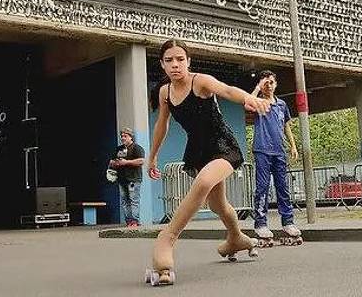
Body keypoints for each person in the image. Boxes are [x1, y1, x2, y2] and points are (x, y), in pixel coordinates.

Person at [145, 39, 271, 286]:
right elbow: (162, 124)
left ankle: (168, 236)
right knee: (218, 205)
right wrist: (153, 155)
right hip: (198, 150)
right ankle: (235, 237)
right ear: (162, 64)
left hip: (222, 145)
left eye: (180, 59)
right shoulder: (164, 93)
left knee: (203, 182)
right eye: (169, 60)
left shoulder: (200, 81)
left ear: (188, 61)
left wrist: (249, 98)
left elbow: (225, 89)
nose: (175, 65)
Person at [250, 70, 301, 245]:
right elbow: (247, 104)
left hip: (279, 151)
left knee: (283, 188)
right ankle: (261, 224)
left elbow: (286, 126)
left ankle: (288, 223)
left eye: (271, 82)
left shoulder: (281, 105)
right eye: (266, 83)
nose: (269, 85)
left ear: (276, 84)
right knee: (262, 188)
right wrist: (258, 87)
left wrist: (293, 146)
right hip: (262, 151)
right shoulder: (258, 103)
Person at [109, 128, 144, 227]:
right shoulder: (119, 149)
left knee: (133, 199)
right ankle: (128, 221)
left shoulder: (137, 148)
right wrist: (114, 163)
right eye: (122, 136)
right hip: (122, 180)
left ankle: (135, 221)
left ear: (131, 137)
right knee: (125, 200)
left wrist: (126, 162)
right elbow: (112, 162)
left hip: (133, 179)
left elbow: (141, 161)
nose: (123, 138)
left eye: (125, 136)